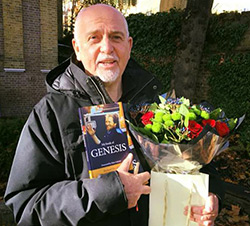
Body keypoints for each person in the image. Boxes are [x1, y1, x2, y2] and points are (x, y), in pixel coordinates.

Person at [4, 4, 223, 226]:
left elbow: (197, 162)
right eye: (94, 38)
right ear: (77, 48)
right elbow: (26, 205)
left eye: (116, 37)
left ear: (128, 46)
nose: (107, 47)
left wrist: (211, 196)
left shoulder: (155, 104)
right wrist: (107, 192)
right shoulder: (50, 113)